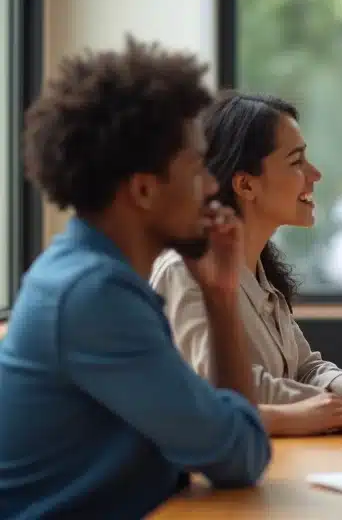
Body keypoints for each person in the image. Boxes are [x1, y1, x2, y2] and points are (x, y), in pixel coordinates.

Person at [0, 38, 272, 518]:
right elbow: (239, 454)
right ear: (144, 189)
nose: (212, 187)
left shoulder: (90, 274)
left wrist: (220, 293)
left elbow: (236, 450)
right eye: (196, 169)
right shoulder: (94, 295)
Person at [151, 92, 342, 437]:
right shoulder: (185, 271)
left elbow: (304, 368)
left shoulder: (260, 274)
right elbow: (226, 388)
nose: (314, 174)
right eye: (296, 161)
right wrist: (341, 409)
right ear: (245, 184)